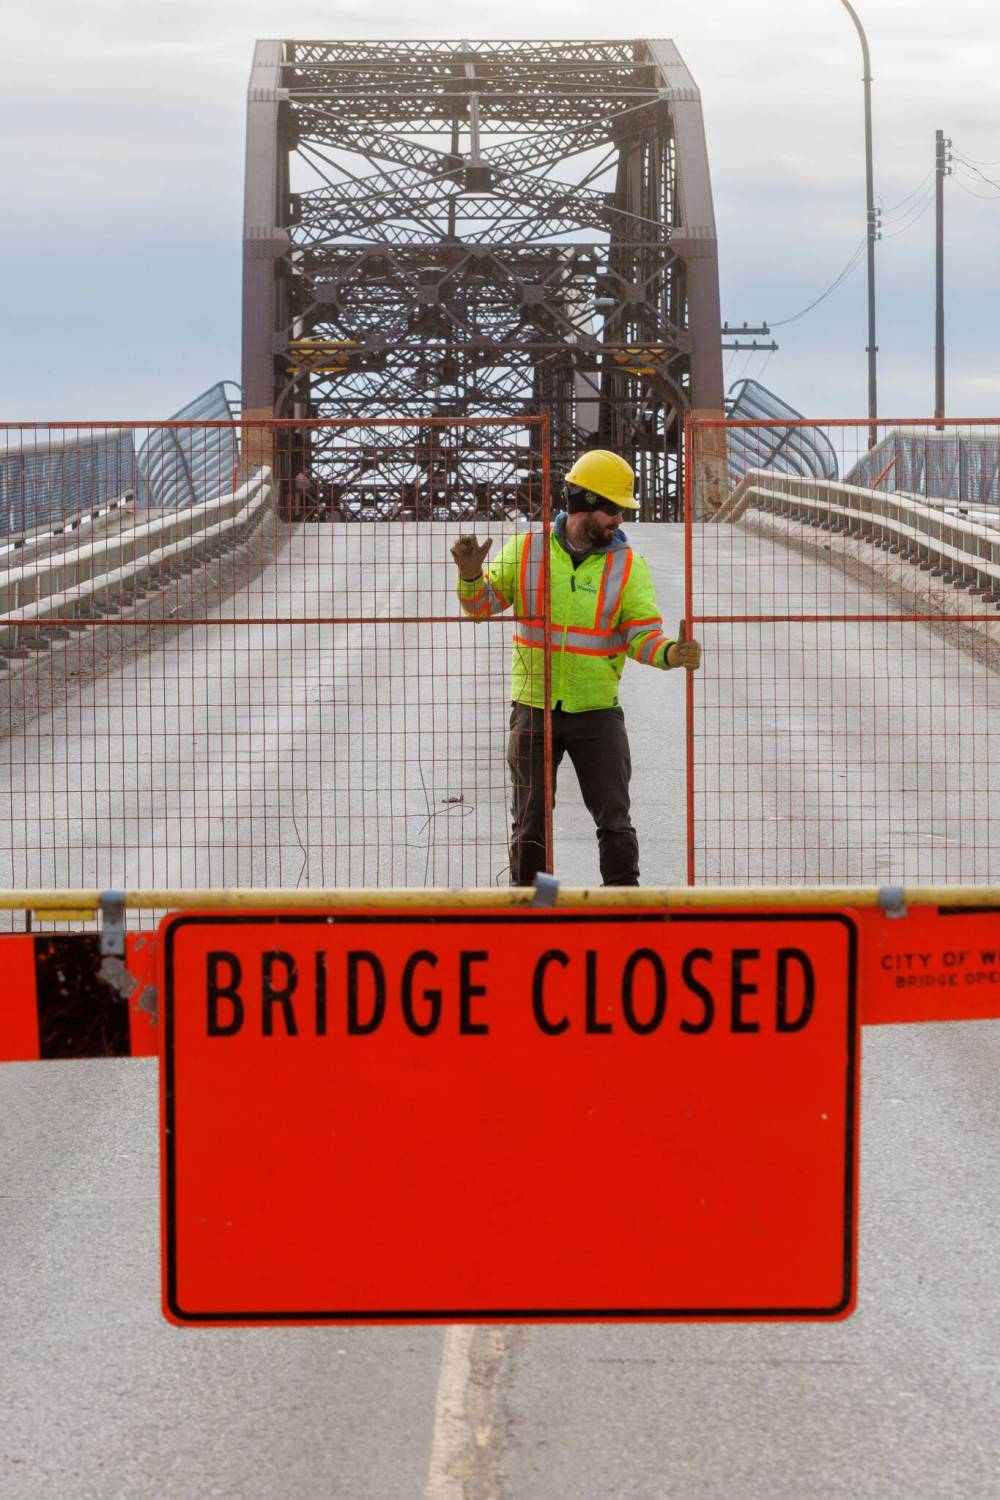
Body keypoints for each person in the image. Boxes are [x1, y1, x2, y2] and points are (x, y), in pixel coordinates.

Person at [451, 448, 702, 887]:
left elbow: (640, 633)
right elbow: (480, 608)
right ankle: (538, 915)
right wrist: (472, 577)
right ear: (583, 502)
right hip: (533, 709)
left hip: (597, 712)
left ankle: (620, 917)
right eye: (612, 509)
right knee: (530, 826)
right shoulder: (527, 551)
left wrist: (669, 653)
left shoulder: (627, 566)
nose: (618, 520)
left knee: (614, 821)